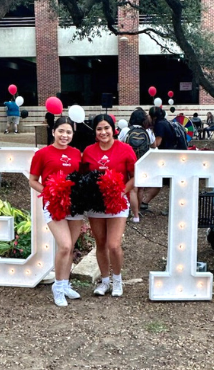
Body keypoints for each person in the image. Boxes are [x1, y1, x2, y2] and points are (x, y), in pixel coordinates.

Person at [29, 117, 84, 307]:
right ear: (53, 132)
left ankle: (65, 283)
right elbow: (33, 180)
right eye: (61, 131)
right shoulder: (42, 154)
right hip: (54, 205)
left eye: (68, 132)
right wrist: (51, 192)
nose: (65, 135)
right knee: (65, 246)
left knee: (71, 246)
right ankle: (58, 287)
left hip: (75, 205)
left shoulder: (77, 153)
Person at [82, 114, 136, 297]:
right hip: (96, 205)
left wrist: (121, 191)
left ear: (113, 129)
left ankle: (117, 280)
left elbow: (135, 176)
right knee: (101, 244)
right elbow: (84, 176)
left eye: (106, 128)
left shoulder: (126, 149)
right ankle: (105, 281)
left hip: (118, 203)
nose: (103, 132)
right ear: (95, 131)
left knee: (114, 244)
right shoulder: (88, 151)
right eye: (99, 129)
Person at [118, 108, 155, 223]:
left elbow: (119, 144)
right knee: (140, 189)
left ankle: (133, 213)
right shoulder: (147, 132)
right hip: (143, 162)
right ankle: (138, 211)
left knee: (132, 189)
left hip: (129, 162)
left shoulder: (126, 130)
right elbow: (153, 145)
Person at [139, 107, 175, 211]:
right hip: (171, 156)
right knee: (160, 181)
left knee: (159, 181)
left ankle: (144, 203)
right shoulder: (165, 122)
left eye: (149, 115)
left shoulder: (159, 125)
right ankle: (144, 203)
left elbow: (157, 143)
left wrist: (148, 139)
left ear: (153, 116)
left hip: (166, 157)